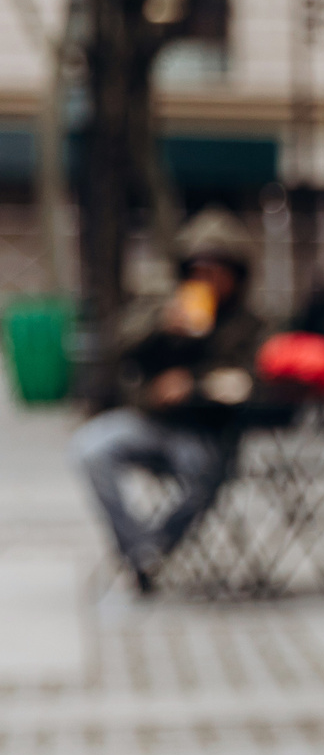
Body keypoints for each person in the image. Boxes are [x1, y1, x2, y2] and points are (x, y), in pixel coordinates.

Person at [69, 208, 269, 592]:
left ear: (237, 274)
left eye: (218, 271)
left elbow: (250, 379)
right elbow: (117, 348)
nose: (207, 280)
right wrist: (159, 326)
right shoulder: (164, 307)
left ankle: (154, 548)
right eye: (199, 270)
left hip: (205, 432)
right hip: (151, 421)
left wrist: (193, 385)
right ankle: (140, 551)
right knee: (89, 449)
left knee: (205, 472)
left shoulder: (250, 325)